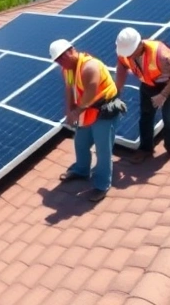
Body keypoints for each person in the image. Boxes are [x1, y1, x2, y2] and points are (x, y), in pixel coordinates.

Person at [50, 39, 127, 203]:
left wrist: (75, 113)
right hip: (86, 110)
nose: (61, 62)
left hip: (104, 110)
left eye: (63, 57)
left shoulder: (90, 67)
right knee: (81, 142)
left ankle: (102, 185)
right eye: (58, 60)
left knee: (103, 150)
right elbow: (69, 88)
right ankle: (82, 170)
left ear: (72, 50)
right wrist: (69, 110)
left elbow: (90, 94)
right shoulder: (67, 69)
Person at [115, 27, 170, 164]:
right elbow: (122, 68)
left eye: (131, 52)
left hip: (168, 85)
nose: (129, 56)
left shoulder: (160, 54)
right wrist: (117, 93)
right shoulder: (124, 54)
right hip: (148, 85)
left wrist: (163, 95)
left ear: (140, 44)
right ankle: (145, 149)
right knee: (146, 117)